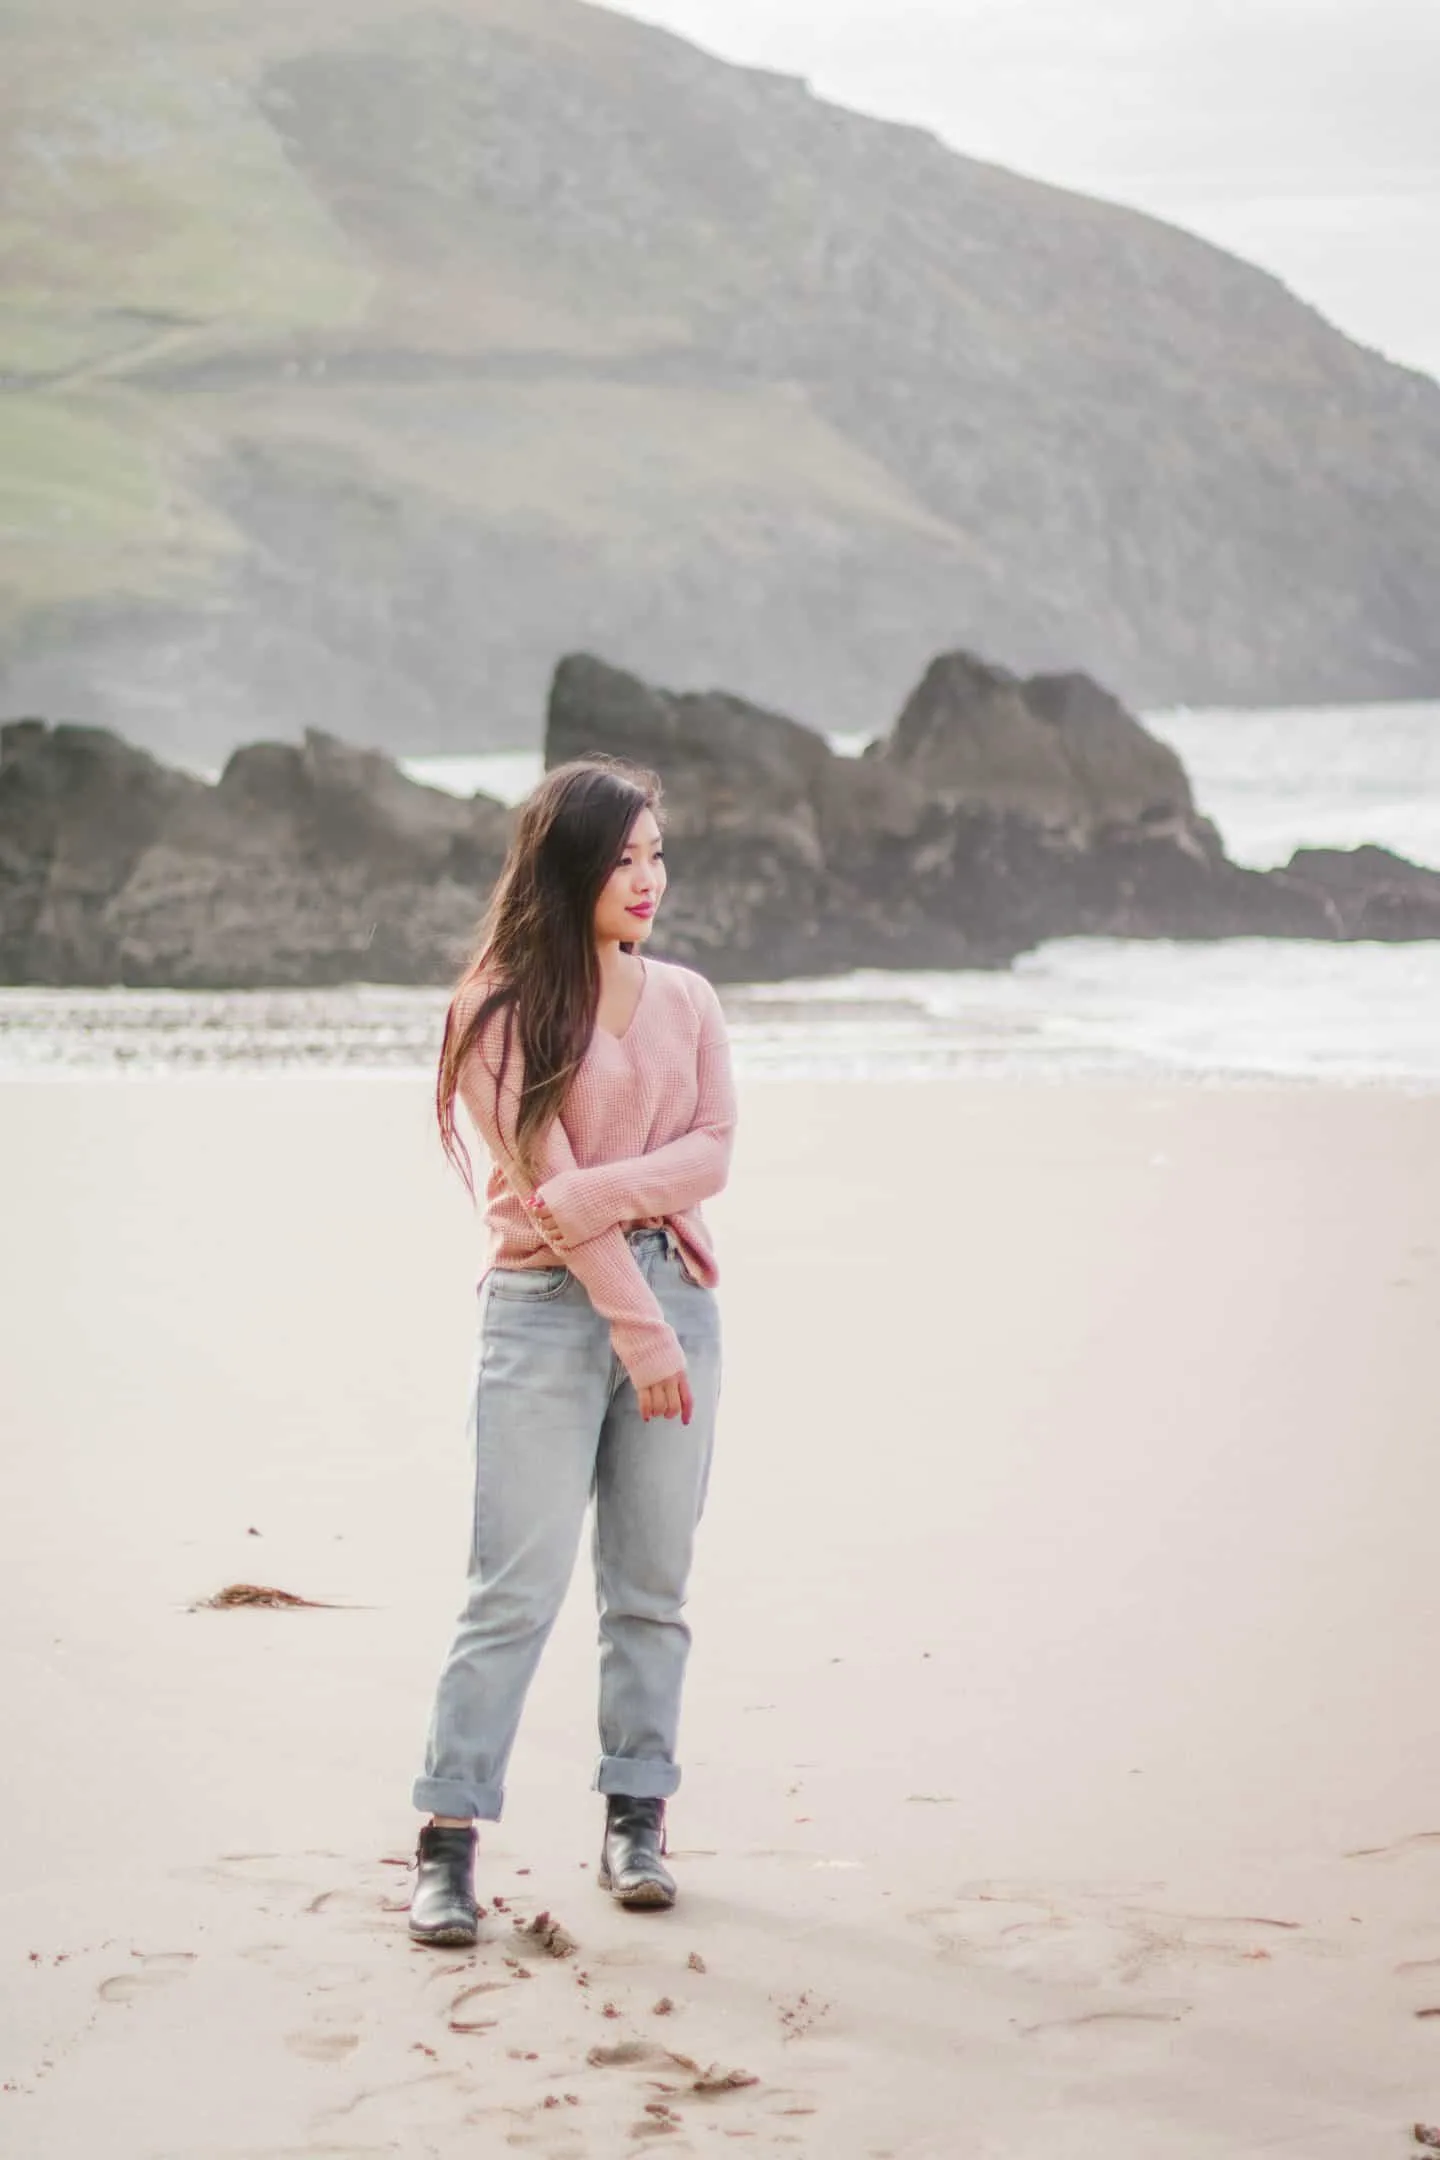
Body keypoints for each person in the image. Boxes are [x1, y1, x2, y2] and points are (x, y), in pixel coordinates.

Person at [407, 756, 736, 1946]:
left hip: (678, 1292)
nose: (648, 879)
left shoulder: (690, 1001)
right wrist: (636, 1329)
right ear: (567, 867)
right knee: (514, 1593)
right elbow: (545, 1205)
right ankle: (446, 1844)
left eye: (658, 855)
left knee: (651, 1591)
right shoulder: (492, 1010)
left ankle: (635, 1820)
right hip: (545, 1312)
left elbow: (710, 1159)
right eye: (624, 857)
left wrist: (612, 1210)